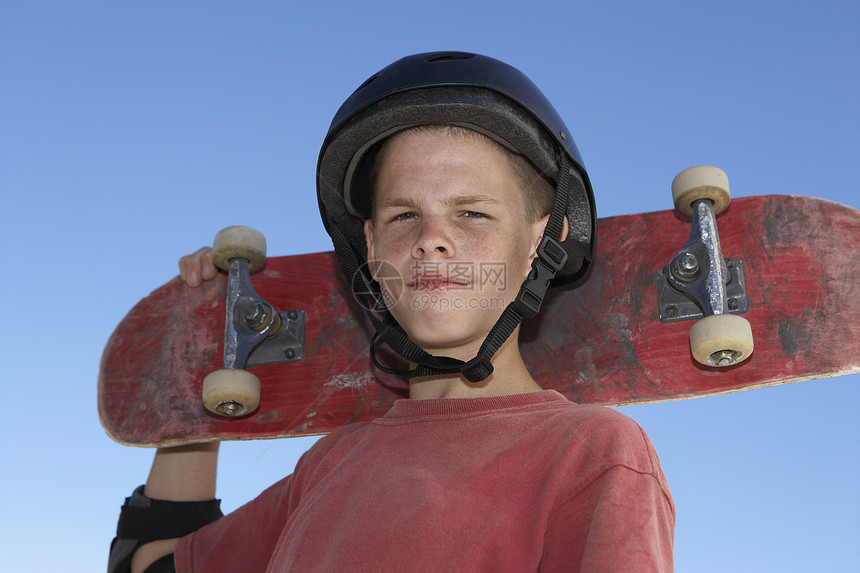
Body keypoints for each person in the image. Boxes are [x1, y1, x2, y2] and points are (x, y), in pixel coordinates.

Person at [110, 51, 675, 573]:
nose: (432, 239)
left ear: (541, 241)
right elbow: (147, 565)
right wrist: (201, 364)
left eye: (472, 214)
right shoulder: (327, 466)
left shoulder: (595, 453)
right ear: (373, 249)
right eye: (404, 216)